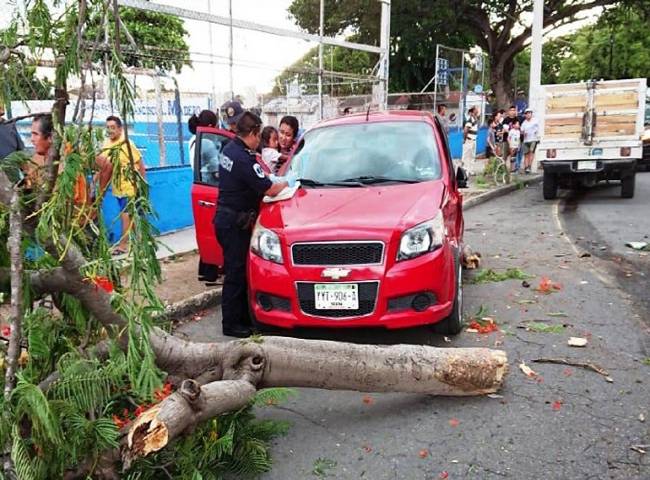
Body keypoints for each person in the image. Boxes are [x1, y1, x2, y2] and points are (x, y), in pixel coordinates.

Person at [215, 111, 287, 338]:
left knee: (237, 271)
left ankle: (241, 317)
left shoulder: (229, 149)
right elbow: (269, 188)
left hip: (226, 219)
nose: (260, 142)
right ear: (254, 133)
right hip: (234, 223)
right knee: (236, 273)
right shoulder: (243, 158)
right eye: (259, 136)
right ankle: (232, 324)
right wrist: (290, 184)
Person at [96, 115, 145, 254]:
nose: (110, 131)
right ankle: (140, 243)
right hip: (118, 188)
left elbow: (141, 165)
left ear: (120, 129)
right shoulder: (107, 144)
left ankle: (123, 245)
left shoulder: (126, 144)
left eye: (113, 128)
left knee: (126, 215)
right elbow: (104, 166)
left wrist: (142, 185)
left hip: (129, 187)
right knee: (131, 216)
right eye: (108, 128)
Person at [520, 108, 540, 174]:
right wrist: (523, 133)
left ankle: (529, 166)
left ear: (531, 114)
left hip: (533, 139)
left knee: (531, 152)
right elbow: (521, 131)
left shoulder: (535, 121)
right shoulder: (524, 123)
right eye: (527, 113)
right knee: (526, 154)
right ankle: (526, 168)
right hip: (526, 140)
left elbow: (538, 129)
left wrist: (537, 135)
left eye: (529, 113)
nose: (528, 115)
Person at [462, 106, 478, 171]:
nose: (477, 110)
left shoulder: (475, 119)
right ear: (472, 112)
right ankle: (465, 170)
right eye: (476, 109)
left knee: (472, 156)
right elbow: (466, 130)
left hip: (474, 140)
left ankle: (470, 170)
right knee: (466, 156)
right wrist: (464, 139)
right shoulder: (470, 120)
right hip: (469, 140)